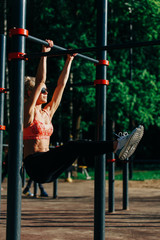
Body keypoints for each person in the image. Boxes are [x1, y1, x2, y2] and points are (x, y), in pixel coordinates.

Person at [23, 39, 144, 184]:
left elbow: (60, 86)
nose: (46, 91)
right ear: (31, 93)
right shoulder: (27, 111)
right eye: (43, 90)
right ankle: (116, 145)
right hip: (35, 165)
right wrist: (44, 54)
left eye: (46, 90)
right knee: (74, 145)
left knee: (78, 147)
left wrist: (69, 60)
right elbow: (40, 82)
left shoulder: (47, 112)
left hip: (49, 168)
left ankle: (117, 146)